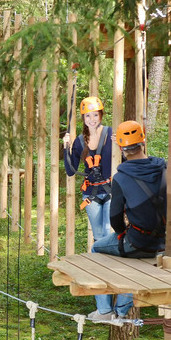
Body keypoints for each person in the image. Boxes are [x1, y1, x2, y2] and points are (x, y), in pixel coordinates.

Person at [87, 120, 167, 324]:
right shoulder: (163, 167)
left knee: (97, 248)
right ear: (143, 142)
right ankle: (121, 310)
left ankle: (105, 311)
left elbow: (115, 218)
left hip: (139, 241)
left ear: (122, 149)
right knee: (132, 251)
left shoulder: (121, 177)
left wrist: (122, 234)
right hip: (164, 243)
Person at [62, 96, 113, 246]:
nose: (92, 119)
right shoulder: (79, 141)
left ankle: (109, 266)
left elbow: (124, 161)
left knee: (108, 231)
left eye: (96, 115)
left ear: (101, 115)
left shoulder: (111, 135)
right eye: (88, 116)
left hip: (111, 190)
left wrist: (121, 145)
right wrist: (66, 149)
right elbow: (70, 171)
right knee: (98, 236)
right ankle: (99, 265)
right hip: (91, 193)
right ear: (83, 118)